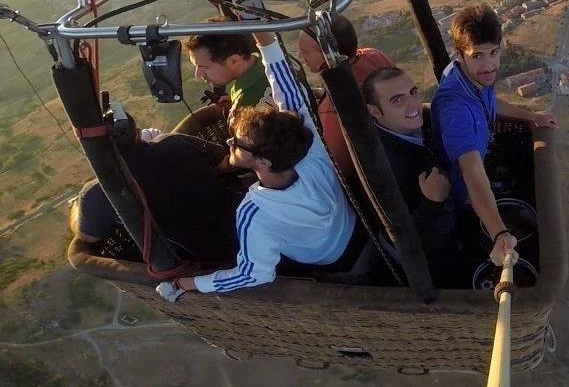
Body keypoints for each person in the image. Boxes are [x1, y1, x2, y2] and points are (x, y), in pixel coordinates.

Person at [163, 32, 363, 299]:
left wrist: (186, 285)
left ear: (264, 161)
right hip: (352, 233)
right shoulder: (311, 150)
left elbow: (253, 274)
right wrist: (265, 40)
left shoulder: (254, 213)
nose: (230, 141)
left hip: (329, 262)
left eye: (238, 143)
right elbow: (289, 94)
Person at [431, 4, 557, 265]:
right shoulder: (456, 109)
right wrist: (499, 232)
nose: (489, 65)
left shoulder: (474, 79)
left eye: (494, 53)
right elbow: (473, 174)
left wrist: (533, 116)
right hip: (465, 198)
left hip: (480, 174)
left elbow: (491, 101)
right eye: (477, 55)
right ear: (460, 54)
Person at [75, 105, 241, 265]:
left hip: (210, 262)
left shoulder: (96, 194)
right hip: (251, 225)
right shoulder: (174, 142)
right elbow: (225, 165)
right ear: (138, 133)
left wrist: (77, 207)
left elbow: (87, 238)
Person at [363, 66, 456, 278]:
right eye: (397, 100)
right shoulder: (384, 169)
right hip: (428, 264)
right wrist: (433, 203)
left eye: (413, 92)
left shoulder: (414, 126)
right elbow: (407, 243)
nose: (413, 104)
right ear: (375, 112)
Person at [295, 17, 393, 172]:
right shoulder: (374, 56)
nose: (301, 57)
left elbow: (338, 165)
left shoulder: (333, 107)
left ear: (328, 54)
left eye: (305, 52)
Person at [182, 19, 272, 115]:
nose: (198, 74)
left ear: (234, 60)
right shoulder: (266, 61)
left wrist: (236, 112)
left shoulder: (246, 102)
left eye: (205, 67)